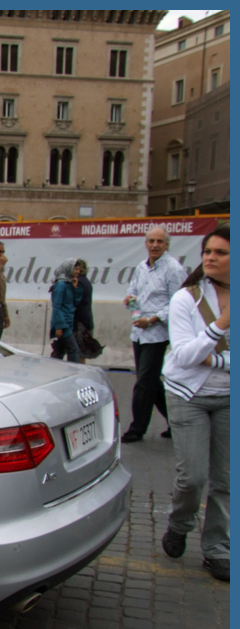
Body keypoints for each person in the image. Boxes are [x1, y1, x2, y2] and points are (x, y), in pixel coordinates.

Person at [160, 226, 229, 582]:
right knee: (193, 478)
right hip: (188, 395)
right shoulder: (187, 299)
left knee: (226, 480)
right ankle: (180, 523)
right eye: (208, 251)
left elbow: (204, 356)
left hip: (228, 397)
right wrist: (221, 325)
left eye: (220, 253)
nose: (211, 258)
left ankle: (217, 549)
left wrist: (217, 360)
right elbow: (186, 355)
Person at [121, 226, 188, 443]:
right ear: (146, 243)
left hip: (157, 332)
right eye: (151, 241)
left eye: (160, 241)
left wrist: (153, 319)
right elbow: (133, 291)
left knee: (143, 382)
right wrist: (130, 300)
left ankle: (136, 428)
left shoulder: (173, 269)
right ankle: (177, 421)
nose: (155, 245)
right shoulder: (142, 267)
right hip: (139, 331)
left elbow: (178, 302)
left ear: (167, 244)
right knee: (151, 381)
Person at [49, 258, 83, 363]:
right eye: (76, 269)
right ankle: (73, 373)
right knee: (74, 350)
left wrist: (75, 288)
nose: (78, 272)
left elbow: (75, 303)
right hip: (63, 325)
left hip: (68, 322)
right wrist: (59, 326)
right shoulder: (60, 285)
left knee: (60, 352)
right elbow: (57, 306)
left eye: (79, 269)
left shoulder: (69, 284)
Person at [73, 260, 101, 363]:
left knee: (78, 352)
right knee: (82, 353)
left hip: (80, 322)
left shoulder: (79, 282)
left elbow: (76, 301)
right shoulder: (86, 281)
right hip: (86, 320)